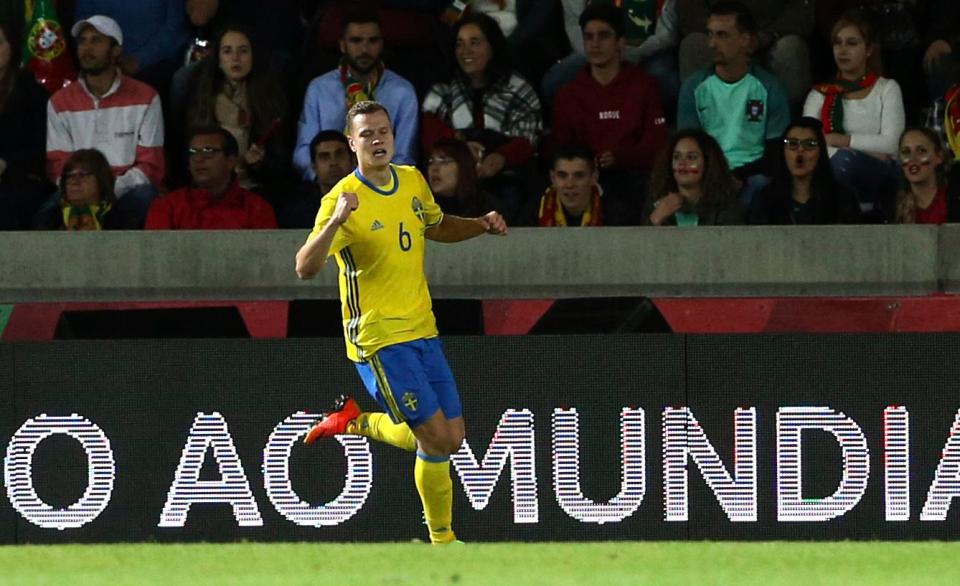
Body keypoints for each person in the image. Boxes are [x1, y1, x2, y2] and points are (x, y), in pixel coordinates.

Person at [295, 100, 507, 545]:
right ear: (351, 143)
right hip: (378, 339)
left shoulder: (411, 180)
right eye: (367, 134)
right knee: (433, 440)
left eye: (383, 131)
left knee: (451, 438)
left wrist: (480, 225)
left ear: (394, 136)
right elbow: (304, 266)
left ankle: (354, 422)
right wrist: (335, 222)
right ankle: (444, 542)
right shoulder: (340, 200)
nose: (377, 140)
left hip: (422, 329)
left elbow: (436, 226)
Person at [551, 3, 666, 224]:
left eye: (603, 36)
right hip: (585, 183)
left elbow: (656, 144)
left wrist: (621, 157)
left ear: (620, 42)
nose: (595, 44)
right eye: (589, 37)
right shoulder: (568, 94)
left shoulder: (644, 85)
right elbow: (560, 147)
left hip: (635, 179)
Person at [421, 11, 542, 223]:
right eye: (459, 44)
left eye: (474, 42)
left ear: (492, 46)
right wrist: (459, 144)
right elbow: (428, 127)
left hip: (503, 180)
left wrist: (500, 158)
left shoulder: (518, 88)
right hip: (455, 187)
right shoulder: (444, 87)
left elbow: (528, 138)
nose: (465, 51)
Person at [46, 15, 165, 227]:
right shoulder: (59, 102)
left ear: (116, 50)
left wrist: (107, 190)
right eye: (82, 41)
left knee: (144, 198)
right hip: (77, 189)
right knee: (44, 215)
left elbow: (151, 166)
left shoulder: (146, 97)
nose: (87, 48)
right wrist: (81, 188)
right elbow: (58, 164)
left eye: (96, 40)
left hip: (127, 191)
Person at [677, 2, 790, 204]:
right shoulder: (693, 88)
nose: (711, 43)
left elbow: (777, 153)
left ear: (745, 40)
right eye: (710, 34)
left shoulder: (769, 87)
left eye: (722, 35)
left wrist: (738, 176)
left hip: (753, 175)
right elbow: (688, 148)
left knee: (761, 187)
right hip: (707, 176)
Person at [803, 9, 905, 222]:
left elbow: (893, 144)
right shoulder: (819, 94)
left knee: (845, 160)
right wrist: (869, 151)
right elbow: (811, 144)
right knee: (840, 162)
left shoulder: (887, 88)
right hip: (834, 170)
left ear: (868, 49)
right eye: (837, 43)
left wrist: (843, 141)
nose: (842, 50)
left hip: (881, 175)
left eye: (851, 43)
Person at [294, 9, 418, 180]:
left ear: (382, 44)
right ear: (342, 45)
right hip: (326, 187)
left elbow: (404, 157)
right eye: (356, 41)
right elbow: (303, 151)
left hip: (383, 187)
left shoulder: (402, 92)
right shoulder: (319, 89)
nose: (364, 49)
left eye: (372, 41)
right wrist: (325, 181)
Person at [184, 24, 288, 197]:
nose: (236, 58)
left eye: (243, 51)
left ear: (253, 56)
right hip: (207, 190)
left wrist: (259, 163)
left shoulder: (270, 99)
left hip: (256, 189)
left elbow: (281, 163)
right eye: (227, 51)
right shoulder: (200, 97)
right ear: (218, 59)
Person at [542, 0, 679, 111]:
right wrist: (601, 52)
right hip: (592, 52)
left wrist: (629, 53)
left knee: (667, 82)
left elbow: (668, 31)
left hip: (648, 53)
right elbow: (574, 24)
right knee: (553, 84)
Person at [676, 0, 813, 105]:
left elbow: (801, 14)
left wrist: (764, 37)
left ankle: (790, 124)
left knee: (790, 47)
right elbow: (688, 12)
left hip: (771, 37)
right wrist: (726, 37)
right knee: (693, 44)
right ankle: (698, 122)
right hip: (718, 35)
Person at [145, 126, 276, 229]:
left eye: (209, 152)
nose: (199, 159)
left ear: (231, 161)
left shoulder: (256, 209)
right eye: (193, 153)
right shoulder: (168, 207)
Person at [750, 117, 862, 225]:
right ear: (783, 152)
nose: (800, 150)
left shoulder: (843, 199)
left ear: (821, 152)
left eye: (810, 144)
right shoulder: (764, 200)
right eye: (792, 143)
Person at [0, 19, 52, 230]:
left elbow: (40, 146)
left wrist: (5, 164)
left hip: (22, 178)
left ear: (12, 46)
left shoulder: (29, 89)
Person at [643, 129, 743, 226]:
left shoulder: (725, 206)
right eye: (677, 157)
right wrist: (655, 219)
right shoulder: (656, 203)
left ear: (708, 163)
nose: (682, 163)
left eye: (691, 157)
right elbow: (639, 242)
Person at [34, 149, 137, 230]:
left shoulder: (122, 222)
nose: (73, 182)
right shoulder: (48, 220)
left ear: (101, 180)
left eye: (82, 175)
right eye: (69, 176)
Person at [277, 129, 355, 229]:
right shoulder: (298, 210)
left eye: (339, 154)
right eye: (324, 156)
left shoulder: (369, 196)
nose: (333, 162)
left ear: (353, 160)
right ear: (314, 166)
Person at [895, 127, 960, 224]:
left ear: (939, 157)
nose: (913, 159)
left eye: (921, 151)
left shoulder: (955, 197)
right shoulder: (891, 204)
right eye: (906, 152)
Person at [426, 137, 498, 218]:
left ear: (463, 167)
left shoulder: (486, 207)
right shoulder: (422, 207)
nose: (434, 168)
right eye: (431, 161)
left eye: (444, 161)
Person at [537, 145, 603, 227]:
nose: (570, 184)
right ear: (552, 178)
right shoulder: (533, 212)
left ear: (594, 178)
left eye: (579, 176)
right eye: (562, 176)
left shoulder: (615, 213)